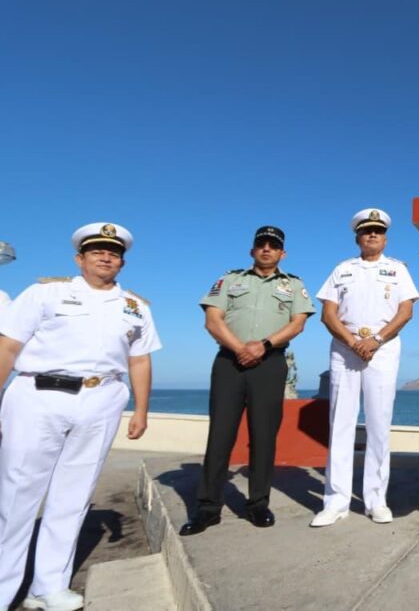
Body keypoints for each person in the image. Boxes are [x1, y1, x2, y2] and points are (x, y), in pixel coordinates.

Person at [0, 222, 159, 611]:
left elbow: (139, 360)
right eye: (97, 251)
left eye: (114, 252)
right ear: (80, 258)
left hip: (102, 398)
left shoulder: (135, 306)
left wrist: (140, 410)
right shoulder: (45, 293)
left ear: (121, 261)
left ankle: (47, 587)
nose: (106, 256)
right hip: (38, 396)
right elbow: (8, 347)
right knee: (17, 496)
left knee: (73, 496)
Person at [180, 226, 315, 536]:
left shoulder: (293, 285)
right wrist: (241, 348)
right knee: (220, 435)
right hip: (230, 362)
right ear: (252, 250)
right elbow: (212, 320)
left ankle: (257, 504)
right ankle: (208, 508)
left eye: (273, 246)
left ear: (283, 253)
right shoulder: (230, 280)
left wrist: (263, 346)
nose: (266, 249)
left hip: (270, 364)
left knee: (264, 435)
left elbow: (298, 324)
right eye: (261, 245)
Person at [311, 209, 419, 527]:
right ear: (357, 237)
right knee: (340, 427)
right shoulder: (342, 269)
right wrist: (351, 341)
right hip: (345, 353)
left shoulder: (397, 269)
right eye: (366, 231)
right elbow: (328, 313)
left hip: (382, 352)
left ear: (385, 238)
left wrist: (376, 340)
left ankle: (376, 500)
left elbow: (406, 311)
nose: (372, 235)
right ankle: (335, 502)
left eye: (377, 231)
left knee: (378, 427)